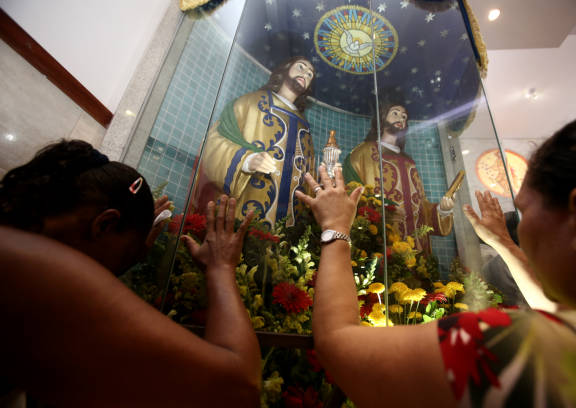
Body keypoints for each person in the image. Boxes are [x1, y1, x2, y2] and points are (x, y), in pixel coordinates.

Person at [296, 99, 576, 407]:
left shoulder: (515, 348)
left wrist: (336, 227)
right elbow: (550, 305)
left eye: (525, 213)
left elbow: (337, 346)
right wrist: (503, 242)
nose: (522, 230)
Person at [0, 140, 261, 407]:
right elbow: (238, 389)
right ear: (104, 224)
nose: (106, 276)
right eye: (125, 256)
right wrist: (221, 268)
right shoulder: (37, 270)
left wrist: (125, 257)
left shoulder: (18, 248)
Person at [193, 56, 316, 228]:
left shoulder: (306, 127)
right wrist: (247, 160)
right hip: (243, 211)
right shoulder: (250, 102)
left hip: (289, 226)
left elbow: (309, 173)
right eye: (301, 67)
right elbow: (214, 141)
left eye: (310, 74)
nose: (305, 73)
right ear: (286, 68)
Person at [343, 102, 454, 254]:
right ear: (382, 117)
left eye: (404, 117)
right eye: (395, 113)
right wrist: (383, 209)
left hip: (415, 249)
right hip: (381, 243)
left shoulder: (410, 162)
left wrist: (442, 211)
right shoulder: (363, 153)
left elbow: (421, 205)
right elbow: (350, 191)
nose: (401, 119)